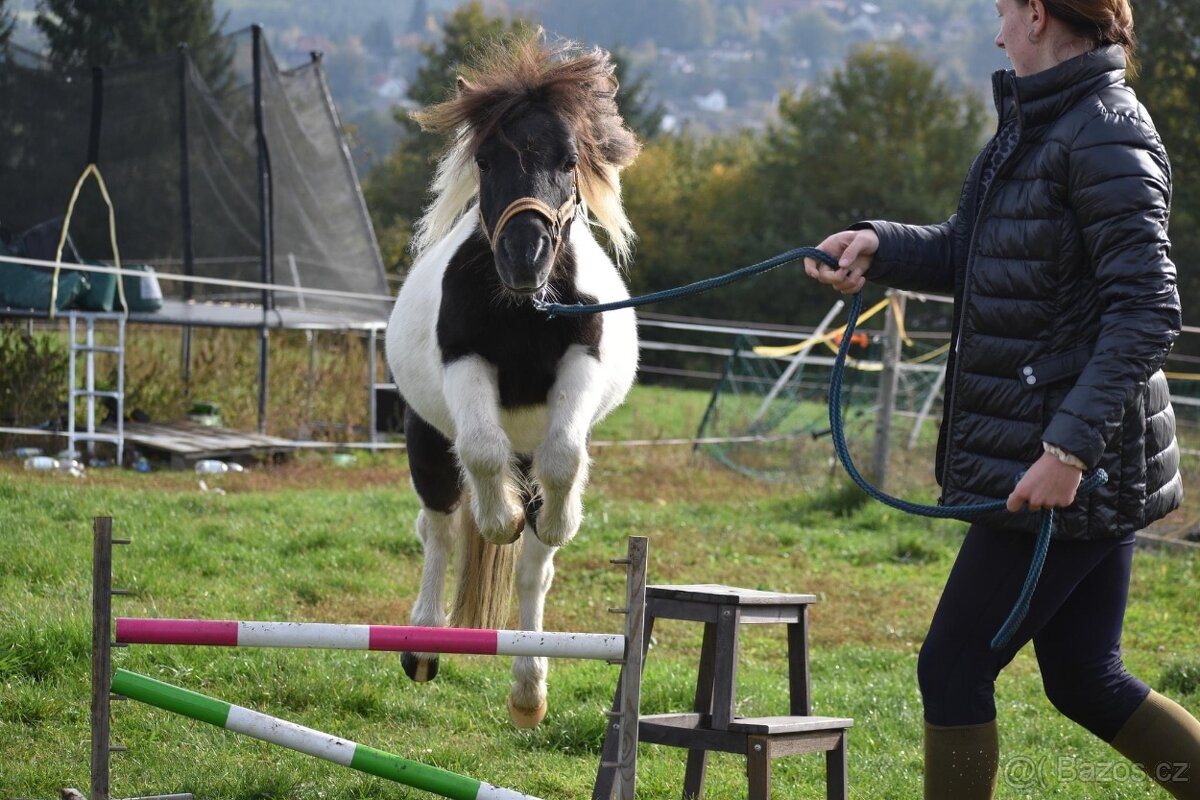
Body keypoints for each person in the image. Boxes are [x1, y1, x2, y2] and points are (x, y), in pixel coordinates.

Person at [804, 1, 1200, 797]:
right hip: (1067, 460)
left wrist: (1068, 451)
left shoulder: (1106, 131)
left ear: (1037, 13)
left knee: (952, 666)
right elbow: (973, 248)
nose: (996, 33)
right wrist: (879, 244)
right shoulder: (1042, 123)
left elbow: (1148, 311)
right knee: (1085, 678)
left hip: (1066, 468)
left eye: (1002, 13)